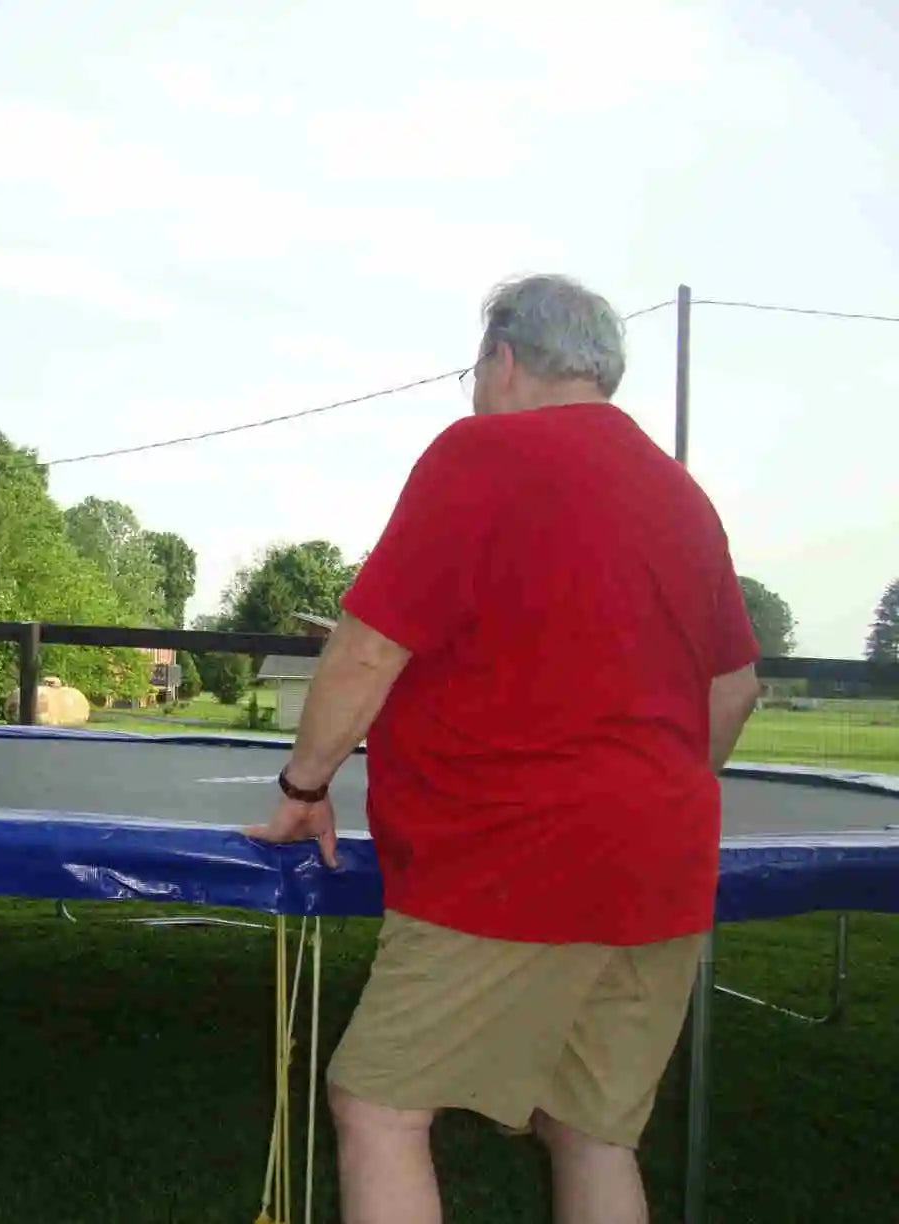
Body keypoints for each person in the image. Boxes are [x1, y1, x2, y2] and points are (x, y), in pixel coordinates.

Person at [248, 274, 761, 1224]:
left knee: (380, 1105)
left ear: (504, 359)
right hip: (662, 866)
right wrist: (648, 798)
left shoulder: (482, 454)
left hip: (511, 857)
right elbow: (733, 689)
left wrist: (304, 783)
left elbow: (367, 648)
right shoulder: (680, 493)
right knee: (592, 1130)